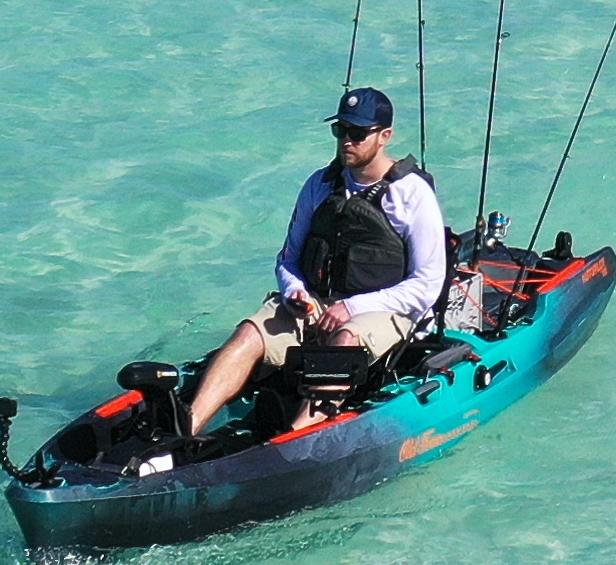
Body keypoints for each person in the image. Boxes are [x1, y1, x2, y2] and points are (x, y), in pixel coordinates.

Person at [188, 85, 446, 435]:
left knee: (345, 340)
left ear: (385, 136)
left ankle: (292, 439)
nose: (346, 141)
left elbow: (428, 284)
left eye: (358, 133)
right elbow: (288, 259)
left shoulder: (412, 195)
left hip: (385, 311)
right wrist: (294, 292)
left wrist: (352, 307)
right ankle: (186, 428)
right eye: (340, 130)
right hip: (317, 304)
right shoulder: (320, 184)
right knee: (250, 331)